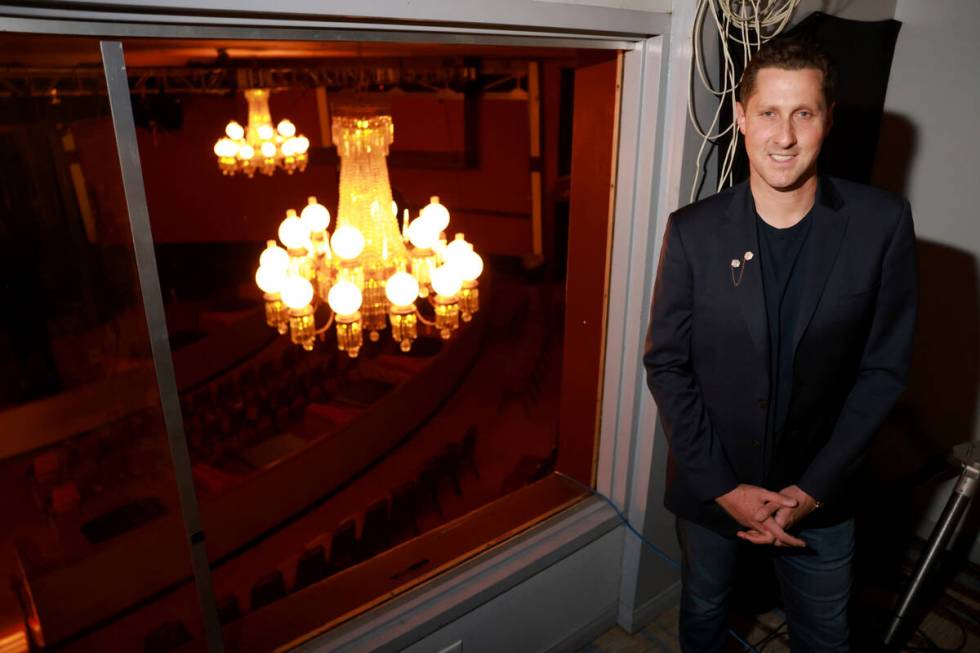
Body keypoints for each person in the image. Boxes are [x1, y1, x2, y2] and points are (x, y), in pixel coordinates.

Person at [643, 39, 917, 652]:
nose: (784, 136)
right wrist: (723, 488)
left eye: (804, 113)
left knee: (825, 634)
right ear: (741, 117)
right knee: (704, 615)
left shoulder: (882, 224)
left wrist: (812, 489)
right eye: (768, 112)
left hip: (822, 494)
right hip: (715, 490)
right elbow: (667, 363)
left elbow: (882, 372)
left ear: (828, 118)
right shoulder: (693, 231)